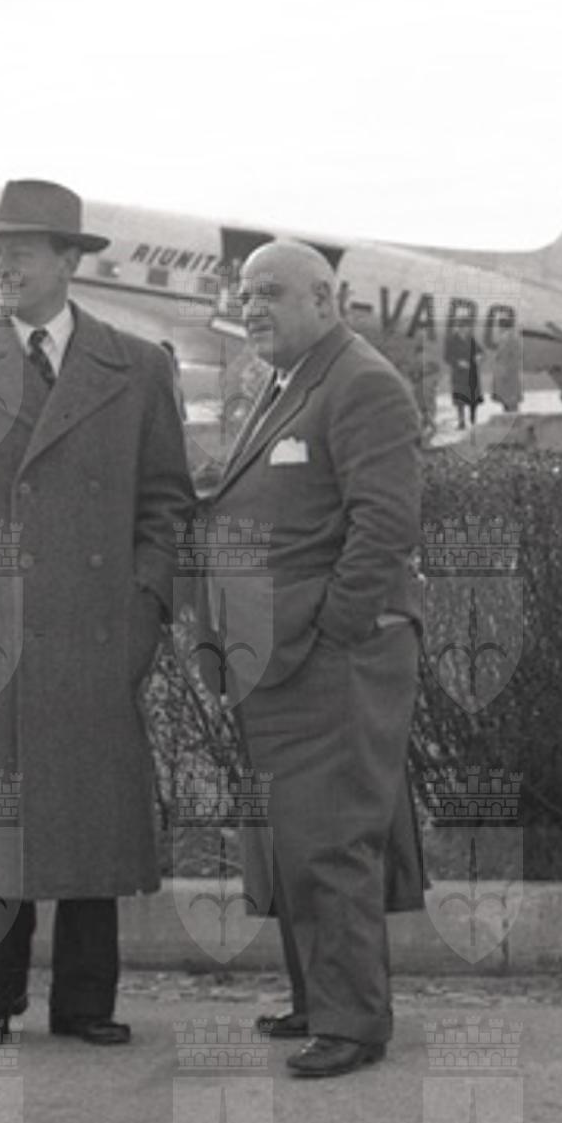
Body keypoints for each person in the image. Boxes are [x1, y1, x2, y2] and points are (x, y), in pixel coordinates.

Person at [0, 179, 194, 1048]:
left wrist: (143, 605)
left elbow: (167, 503)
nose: (1, 265)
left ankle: (88, 1005)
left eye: (20, 251)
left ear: (68, 262)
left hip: (99, 626)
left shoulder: (138, 366)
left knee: (91, 815)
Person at [193, 241, 426, 1078]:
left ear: (325, 299)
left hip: (329, 653)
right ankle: (319, 1000)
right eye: (244, 293)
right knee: (295, 836)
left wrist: (333, 628)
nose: (250, 306)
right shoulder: (290, 380)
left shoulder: (360, 384)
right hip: (278, 651)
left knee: (330, 838)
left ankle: (352, 1022)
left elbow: (384, 523)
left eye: (270, 292)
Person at [446, 324, 482, 430]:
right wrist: (458, 362)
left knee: (473, 397)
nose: (464, 330)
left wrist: (479, 357)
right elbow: (447, 357)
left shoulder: (471, 339)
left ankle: (473, 419)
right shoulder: (452, 341)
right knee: (460, 398)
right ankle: (461, 421)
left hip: (471, 373)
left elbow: (480, 351)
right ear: (457, 328)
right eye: (461, 327)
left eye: (465, 327)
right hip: (459, 374)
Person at [488, 324, 524, 415]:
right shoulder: (510, 338)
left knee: (510, 400)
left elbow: (510, 356)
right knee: (508, 400)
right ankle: (511, 417)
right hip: (507, 373)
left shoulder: (509, 338)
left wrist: (505, 370)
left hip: (507, 373)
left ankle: (511, 418)